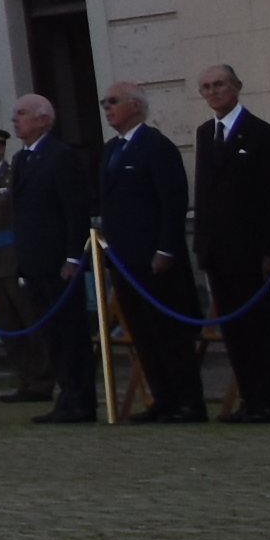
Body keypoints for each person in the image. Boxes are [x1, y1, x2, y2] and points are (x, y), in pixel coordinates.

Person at [187, 69, 270, 428]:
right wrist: (202, 248)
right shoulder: (205, 134)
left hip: (250, 251)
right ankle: (250, 398)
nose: (213, 92)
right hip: (217, 251)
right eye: (206, 87)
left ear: (236, 87)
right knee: (233, 332)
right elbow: (204, 194)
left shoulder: (260, 132)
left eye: (219, 85)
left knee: (260, 329)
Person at [91, 84, 200, 422]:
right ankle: (162, 398)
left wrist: (166, 247)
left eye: (113, 102)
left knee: (167, 333)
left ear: (135, 106)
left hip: (154, 257)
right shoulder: (111, 149)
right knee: (142, 333)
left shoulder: (156, 147)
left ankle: (187, 401)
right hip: (124, 258)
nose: (107, 108)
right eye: (104, 103)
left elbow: (172, 201)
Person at [0, 96, 97, 422]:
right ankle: (65, 396)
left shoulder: (60, 156)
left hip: (58, 263)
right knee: (51, 336)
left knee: (71, 334)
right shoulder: (23, 159)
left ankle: (81, 400)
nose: (16, 120)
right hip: (33, 262)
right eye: (15, 115)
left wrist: (72, 257)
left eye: (22, 114)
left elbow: (75, 211)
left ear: (42, 119)